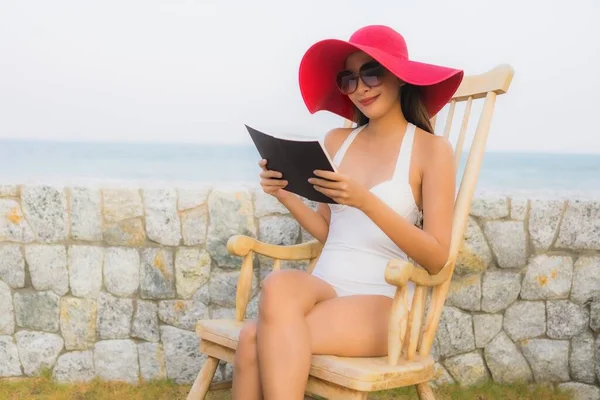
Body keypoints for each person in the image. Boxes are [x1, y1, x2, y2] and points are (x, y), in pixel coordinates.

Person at [231, 25, 464, 400]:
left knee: (254, 337)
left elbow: (436, 258)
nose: (361, 88)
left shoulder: (431, 151)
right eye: (348, 79)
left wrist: (366, 201)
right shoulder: (337, 142)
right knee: (277, 286)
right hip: (325, 286)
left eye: (372, 72)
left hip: (382, 300)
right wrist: (285, 195)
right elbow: (329, 230)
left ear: (401, 78)